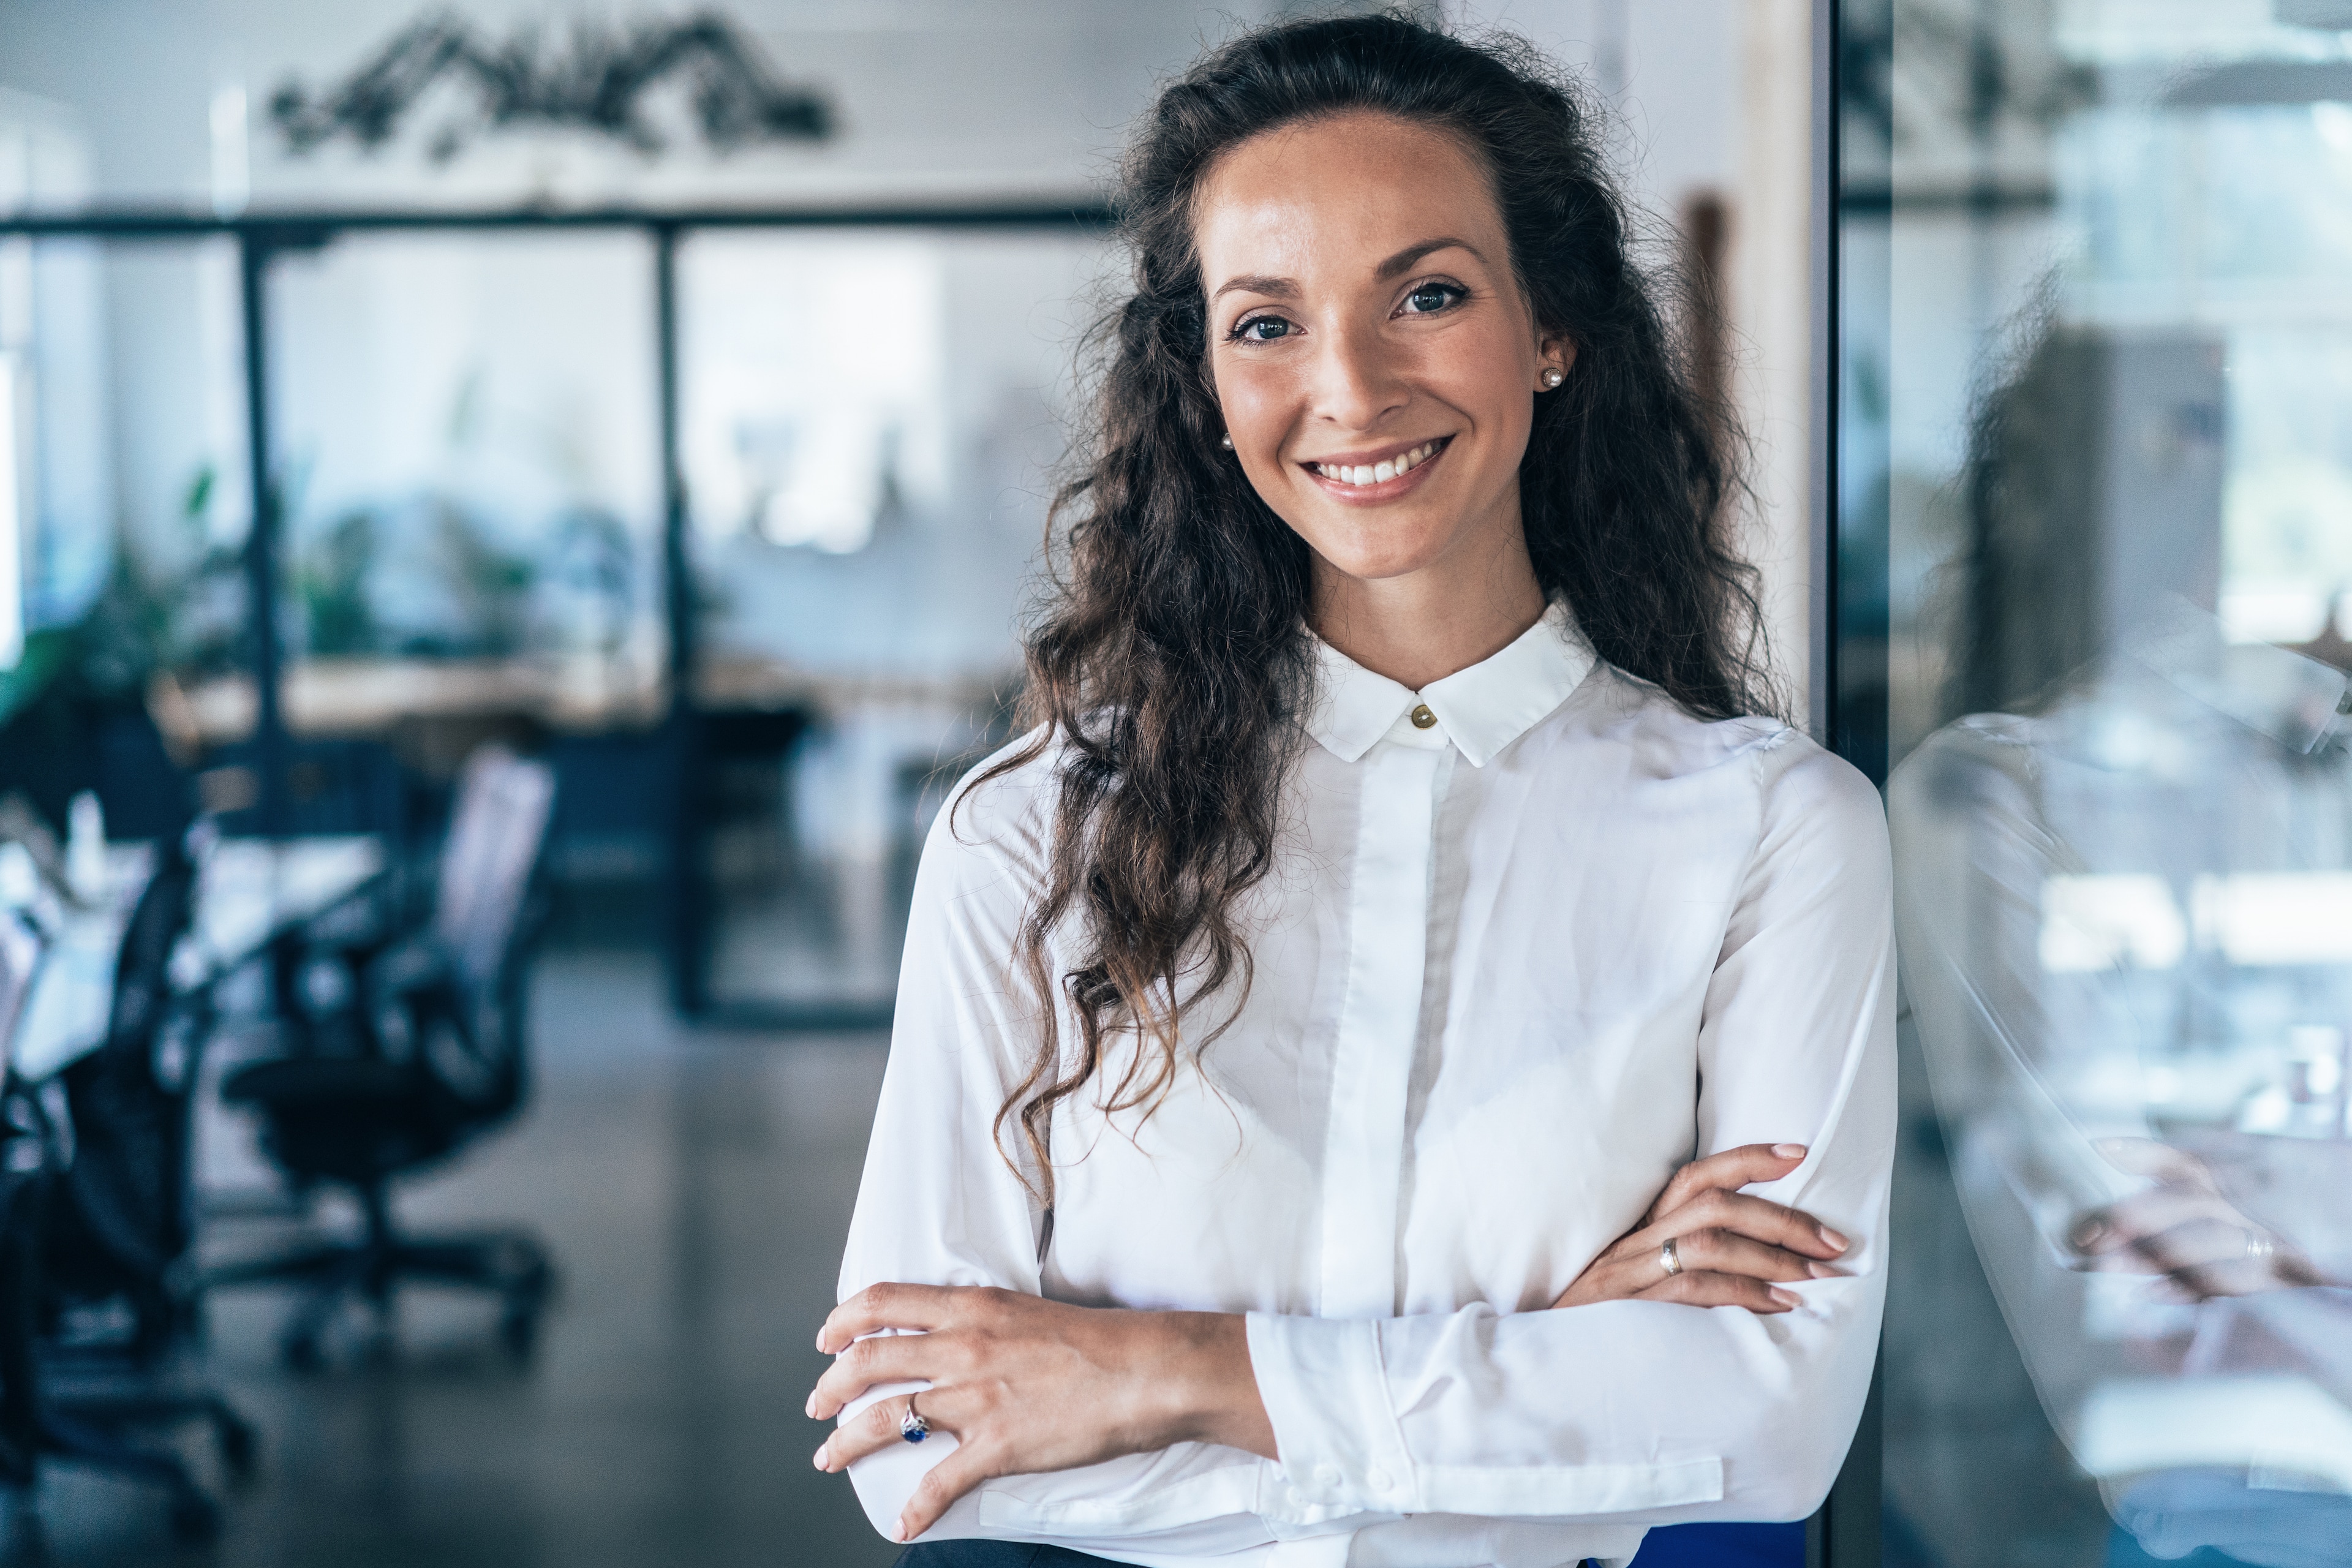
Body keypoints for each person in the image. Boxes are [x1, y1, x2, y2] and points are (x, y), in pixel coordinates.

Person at [806, 15, 1895, 1567]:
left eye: (1428, 294)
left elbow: (1770, 1429)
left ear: (1551, 326)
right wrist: (1552, 1371)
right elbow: (916, 1441)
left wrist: (1160, 1372)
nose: (1351, 386)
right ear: (1204, 378)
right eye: (1267, 323)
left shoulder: (1773, 834)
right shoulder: (1034, 832)